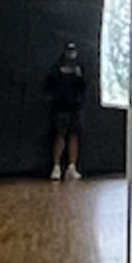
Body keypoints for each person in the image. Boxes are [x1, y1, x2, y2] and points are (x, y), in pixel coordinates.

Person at [44, 40, 88, 181]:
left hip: (76, 106)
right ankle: (56, 167)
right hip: (61, 107)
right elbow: (49, 84)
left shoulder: (80, 67)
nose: (71, 54)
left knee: (74, 135)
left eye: (73, 51)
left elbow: (85, 85)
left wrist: (80, 76)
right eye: (69, 51)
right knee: (60, 135)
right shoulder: (56, 67)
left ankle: (72, 167)